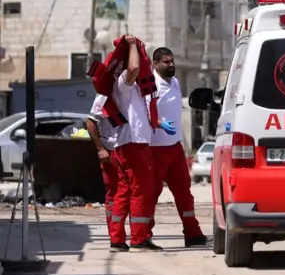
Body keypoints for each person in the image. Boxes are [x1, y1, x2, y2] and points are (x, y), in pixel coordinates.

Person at [147, 47, 210, 247]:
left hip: (175, 148)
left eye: (172, 61)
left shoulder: (174, 82)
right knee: (151, 194)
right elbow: (145, 114)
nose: (171, 65)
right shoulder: (150, 85)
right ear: (155, 64)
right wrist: (159, 124)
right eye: (166, 62)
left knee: (184, 192)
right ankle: (143, 235)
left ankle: (192, 233)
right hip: (155, 148)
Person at [109, 34, 163, 252]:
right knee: (142, 190)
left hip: (129, 144)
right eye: (145, 60)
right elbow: (132, 68)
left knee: (124, 191)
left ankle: (117, 239)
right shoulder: (124, 82)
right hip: (134, 145)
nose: (145, 64)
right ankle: (139, 238)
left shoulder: (138, 89)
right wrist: (133, 45)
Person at [86, 94, 124, 252]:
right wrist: (101, 148)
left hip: (128, 149)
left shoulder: (131, 91)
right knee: (114, 195)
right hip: (111, 151)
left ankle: (140, 236)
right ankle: (115, 236)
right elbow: (91, 122)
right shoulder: (105, 95)